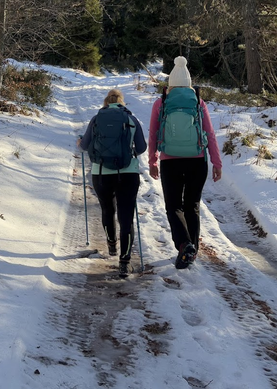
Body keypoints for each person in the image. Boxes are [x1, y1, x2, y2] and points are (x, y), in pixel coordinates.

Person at [148, 56, 222, 270]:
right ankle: (192, 251)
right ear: (189, 83)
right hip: (197, 161)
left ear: (170, 83)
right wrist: (217, 163)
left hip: (170, 161)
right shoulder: (198, 102)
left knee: (174, 206)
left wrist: (153, 160)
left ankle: (184, 244)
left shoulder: (161, 102)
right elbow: (209, 133)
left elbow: (153, 134)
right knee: (192, 205)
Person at [78, 89, 147, 278]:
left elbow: (84, 146)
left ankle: (111, 245)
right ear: (122, 102)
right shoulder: (131, 120)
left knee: (108, 210)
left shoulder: (96, 119)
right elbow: (141, 148)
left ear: (105, 102)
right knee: (126, 217)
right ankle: (124, 262)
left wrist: (80, 142)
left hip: (101, 173)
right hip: (128, 174)